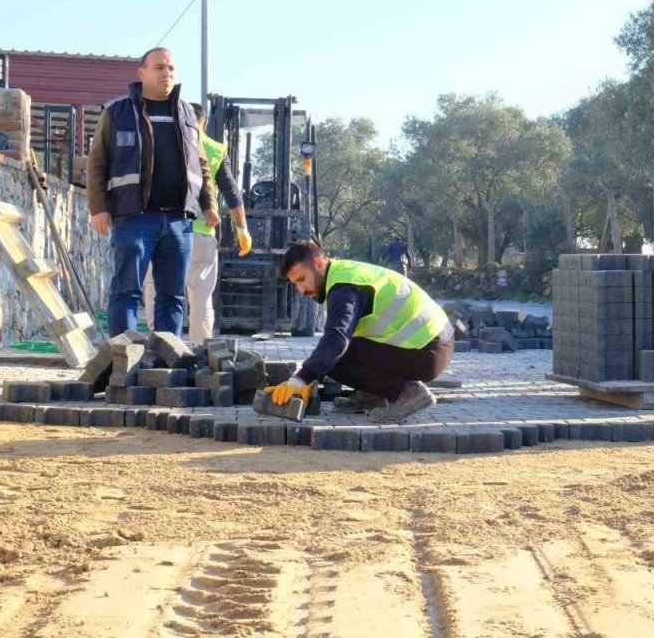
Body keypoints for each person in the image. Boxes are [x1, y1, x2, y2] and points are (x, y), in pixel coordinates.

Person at [86, 47, 214, 337]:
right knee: (126, 292)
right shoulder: (117, 112)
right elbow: (97, 162)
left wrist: (209, 203)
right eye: (159, 67)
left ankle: (167, 363)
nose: (166, 73)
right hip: (133, 218)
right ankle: (123, 360)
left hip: (179, 221)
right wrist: (98, 207)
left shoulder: (187, 114)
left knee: (172, 297)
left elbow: (201, 163)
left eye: (171, 68)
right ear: (141, 73)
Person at [266, 240, 454, 422]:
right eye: (295, 284)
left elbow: (336, 341)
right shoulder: (342, 275)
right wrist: (311, 380)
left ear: (318, 263)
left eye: (302, 279)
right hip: (433, 344)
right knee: (335, 353)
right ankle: (372, 396)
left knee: (336, 357)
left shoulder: (344, 288)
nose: (301, 290)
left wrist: (299, 380)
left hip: (429, 350)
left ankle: (409, 393)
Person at [142, 103, 251, 345]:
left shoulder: (163, 138)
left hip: (168, 230)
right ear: (204, 123)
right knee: (201, 296)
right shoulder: (215, 149)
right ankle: (203, 349)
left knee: (156, 288)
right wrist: (242, 229)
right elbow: (232, 192)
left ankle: (159, 344)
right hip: (202, 234)